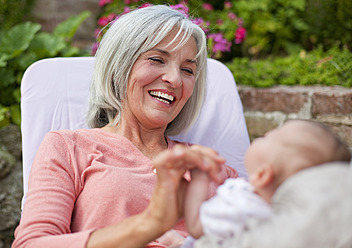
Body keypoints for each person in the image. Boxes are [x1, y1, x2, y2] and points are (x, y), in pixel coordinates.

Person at [12, 5, 240, 248]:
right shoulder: (69, 147)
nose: (174, 79)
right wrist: (148, 226)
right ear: (120, 65)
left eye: (187, 70)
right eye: (156, 59)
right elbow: (32, 244)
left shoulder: (211, 168)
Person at [183, 119, 351, 247]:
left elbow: (195, 227)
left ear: (262, 175)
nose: (264, 135)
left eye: (266, 136)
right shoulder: (286, 217)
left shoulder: (241, 206)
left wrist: (199, 176)